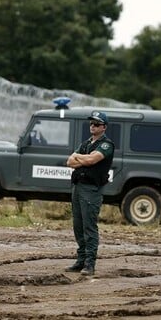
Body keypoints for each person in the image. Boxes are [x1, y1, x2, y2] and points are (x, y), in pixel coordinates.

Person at [65, 111, 114, 276]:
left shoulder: (106, 144)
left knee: (89, 226)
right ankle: (80, 260)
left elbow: (92, 160)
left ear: (104, 127)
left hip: (91, 190)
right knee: (78, 226)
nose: (93, 126)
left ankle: (89, 263)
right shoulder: (86, 143)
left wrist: (78, 156)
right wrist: (82, 158)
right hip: (78, 187)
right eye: (92, 123)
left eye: (97, 124)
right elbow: (69, 162)